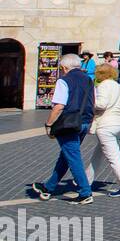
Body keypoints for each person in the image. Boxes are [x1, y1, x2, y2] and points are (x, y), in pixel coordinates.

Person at [29, 54, 96, 204]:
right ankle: (48, 187)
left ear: (65, 67)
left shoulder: (64, 81)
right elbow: (93, 101)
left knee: (73, 157)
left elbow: (59, 106)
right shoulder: (89, 80)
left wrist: (49, 124)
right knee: (66, 155)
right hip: (85, 121)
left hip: (69, 123)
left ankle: (85, 192)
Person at [88, 64, 120, 197]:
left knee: (114, 157)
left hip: (107, 125)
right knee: (99, 153)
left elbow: (101, 104)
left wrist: (90, 101)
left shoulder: (103, 86)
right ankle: (86, 180)